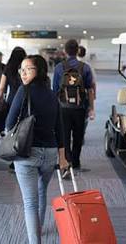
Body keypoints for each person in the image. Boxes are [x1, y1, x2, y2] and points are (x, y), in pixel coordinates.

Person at [5, 55, 68, 244]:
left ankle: (35, 240)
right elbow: (60, 127)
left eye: (28, 69)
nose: (23, 73)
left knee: (30, 203)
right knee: (42, 192)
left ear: (38, 71)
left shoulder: (23, 92)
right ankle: (39, 228)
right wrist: (62, 157)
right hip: (49, 154)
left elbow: (9, 124)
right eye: (21, 69)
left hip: (26, 154)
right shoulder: (51, 94)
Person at [53, 39, 94, 173]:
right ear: (77, 51)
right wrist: (91, 108)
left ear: (65, 51)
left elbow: (54, 90)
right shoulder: (85, 67)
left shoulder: (59, 67)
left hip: (63, 107)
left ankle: (67, 159)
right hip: (80, 107)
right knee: (78, 135)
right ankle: (76, 161)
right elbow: (90, 90)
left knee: (64, 135)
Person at [0, 46, 27, 170]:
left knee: (11, 131)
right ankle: (23, 155)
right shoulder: (25, 69)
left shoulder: (7, 69)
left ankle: (14, 160)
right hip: (25, 101)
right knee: (24, 130)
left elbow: (2, 88)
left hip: (11, 102)